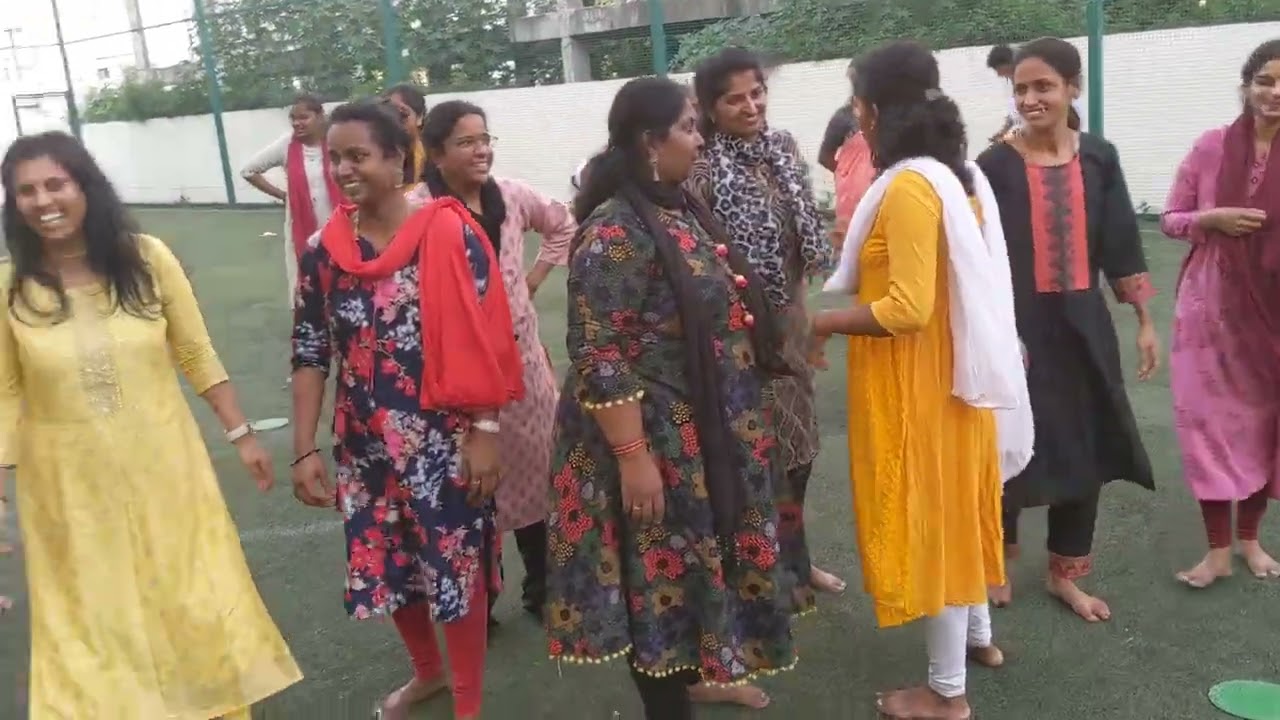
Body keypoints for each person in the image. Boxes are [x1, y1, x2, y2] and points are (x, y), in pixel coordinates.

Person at [0, 131, 300, 718]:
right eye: (26, 191)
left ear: (85, 185)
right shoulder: (9, 286)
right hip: (65, 489)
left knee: (190, 594)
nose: (44, 200)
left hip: (166, 469)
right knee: (91, 615)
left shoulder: (146, 259)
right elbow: (5, 391)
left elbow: (195, 351)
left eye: (56, 183)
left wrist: (240, 435)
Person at [545, 76, 797, 720]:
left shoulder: (677, 208)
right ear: (650, 143)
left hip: (701, 430)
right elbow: (600, 351)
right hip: (650, 438)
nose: (700, 137)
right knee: (657, 578)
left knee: (690, 577)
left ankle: (699, 677)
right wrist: (633, 457)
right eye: (689, 126)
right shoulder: (616, 229)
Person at [812, 40, 1028, 720]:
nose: (856, 114)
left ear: (873, 109)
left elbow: (907, 308)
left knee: (933, 523)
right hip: (954, 382)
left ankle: (944, 694)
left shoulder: (910, 185)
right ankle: (979, 640)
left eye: (856, 100)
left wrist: (818, 325)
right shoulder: (957, 175)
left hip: (922, 387)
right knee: (959, 512)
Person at [290, 101, 523, 720]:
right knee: (386, 560)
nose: (343, 169)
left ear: (397, 158)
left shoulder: (448, 233)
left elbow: (490, 339)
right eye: (334, 157)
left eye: (358, 155)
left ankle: (467, 701)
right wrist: (305, 445)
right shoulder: (324, 250)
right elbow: (310, 348)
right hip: (364, 443)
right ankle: (427, 674)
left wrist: (486, 430)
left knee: (455, 565)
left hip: (445, 440)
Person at [976, 37, 1160, 622]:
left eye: (1044, 87)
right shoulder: (993, 166)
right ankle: (998, 557)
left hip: (1085, 327)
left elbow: (1120, 241)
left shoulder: (1100, 157)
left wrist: (1144, 321)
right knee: (1006, 444)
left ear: (1071, 88)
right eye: (1022, 89)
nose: (1030, 99)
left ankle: (1065, 574)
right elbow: (977, 257)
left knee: (1088, 443)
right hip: (1016, 330)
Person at [687, 46, 837, 711]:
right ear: (710, 109)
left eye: (756, 94)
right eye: (734, 99)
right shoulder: (698, 168)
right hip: (736, 343)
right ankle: (761, 579)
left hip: (791, 329)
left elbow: (800, 246)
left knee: (800, 454)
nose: (751, 107)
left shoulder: (783, 151)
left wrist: (801, 324)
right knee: (752, 465)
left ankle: (797, 564)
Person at [408, 99, 577, 619]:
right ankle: (479, 604)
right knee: (467, 486)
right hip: (453, 372)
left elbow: (563, 225)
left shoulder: (511, 195)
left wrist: (531, 281)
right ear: (436, 154)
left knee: (534, 472)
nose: (481, 150)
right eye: (465, 142)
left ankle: (542, 589)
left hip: (521, 364)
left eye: (485, 139)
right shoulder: (417, 210)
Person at [1162, 39, 1280, 587]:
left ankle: (1250, 541)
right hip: (1209, 310)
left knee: (1265, 424)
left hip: (1273, 311)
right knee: (1207, 425)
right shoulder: (1210, 147)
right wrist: (1213, 218)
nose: (1274, 93)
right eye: (1265, 80)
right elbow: (1171, 219)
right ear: (1246, 86)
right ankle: (1216, 551)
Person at [240, 94, 343, 307]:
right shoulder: (287, 144)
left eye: (304, 117)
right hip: (302, 231)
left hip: (342, 226)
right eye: (293, 118)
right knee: (308, 291)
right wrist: (284, 196)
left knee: (343, 285)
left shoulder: (337, 139)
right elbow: (249, 170)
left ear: (320, 116)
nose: (297, 123)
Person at [817, 59, 861, 173]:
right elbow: (825, 157)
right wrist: (848, 175)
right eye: (853, 79)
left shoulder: (886, 113)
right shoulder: (843, 116)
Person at [383, 83, 429, 184]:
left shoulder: (431, 158)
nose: (395, 121)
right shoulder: (379, 157)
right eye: (389, 115)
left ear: (419, 117)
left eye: (402, 115)